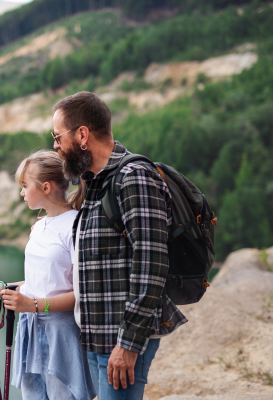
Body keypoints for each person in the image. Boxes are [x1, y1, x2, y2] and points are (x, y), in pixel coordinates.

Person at [51, 91, 188, 400]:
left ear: (82, 135)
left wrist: (128, 344)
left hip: (123, 340)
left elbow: (151, 265)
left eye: (58, 137)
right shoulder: (97, 183)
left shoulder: (134, 177)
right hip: (98, 337)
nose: (56, 146)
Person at [0, 150, 96, 400]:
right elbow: (41, 282)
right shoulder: (39, 226)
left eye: (25, 186)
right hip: (31, 330)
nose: (22, 193)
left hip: (61, 334)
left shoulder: (77, 226)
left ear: (46, 187)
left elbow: (84, 292)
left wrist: (34, 305)